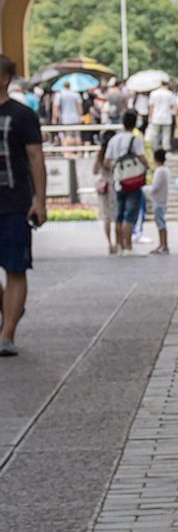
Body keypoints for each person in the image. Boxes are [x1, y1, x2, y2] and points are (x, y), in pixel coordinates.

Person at [0, 55, 47, 358]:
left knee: (15, 268)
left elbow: (36, 158)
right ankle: (12, 307)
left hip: (14, 203)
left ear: (4, 78)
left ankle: (7, 334)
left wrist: (39, 200)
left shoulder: (22, 115)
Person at [106, 111, 147, 256]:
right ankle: (128, 247)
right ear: (135, 123)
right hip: (133, 181)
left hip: (118, 180)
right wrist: (147, 167)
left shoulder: (114, 140)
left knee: (119, 215)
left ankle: (119, 246)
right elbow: (142, 157)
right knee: (130, 215)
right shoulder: (135, 140)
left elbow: (107, 161)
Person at [94, 131, 118, 254]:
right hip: (114, 185)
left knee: (106, 217)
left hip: (103, 187)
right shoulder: (114, 153)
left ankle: (110, 244)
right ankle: (119, 243)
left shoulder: (99, 154)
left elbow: (94, 170)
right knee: (117, 216)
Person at [144, 148, 172, 255]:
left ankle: (163, 245)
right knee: (160, 223)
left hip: (158, 200)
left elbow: (155, 187)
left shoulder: (160, 171)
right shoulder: (165, 170)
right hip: (162, 199)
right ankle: (162, 244)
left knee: (160, 223)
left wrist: (145, 189)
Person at [147, 81, 176, 152]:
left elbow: (151, 106)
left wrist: (150, 116)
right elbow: (172, 105)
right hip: (166, 116)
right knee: (166, 134)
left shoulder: (153, 93)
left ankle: (154, 148)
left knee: (155, 133)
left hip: (156, 116)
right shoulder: (170, 93)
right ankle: (165, 148)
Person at [54, 83, 83, 148]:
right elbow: (80, 107)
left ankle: (69, 152)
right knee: (77, 135)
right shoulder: (76, 94)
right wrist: (80, 116)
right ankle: (79, 152)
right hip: (76, 117)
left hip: (65, 118)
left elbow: (56, 107)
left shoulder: (60, 94)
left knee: (68, 135)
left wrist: (55, 118)